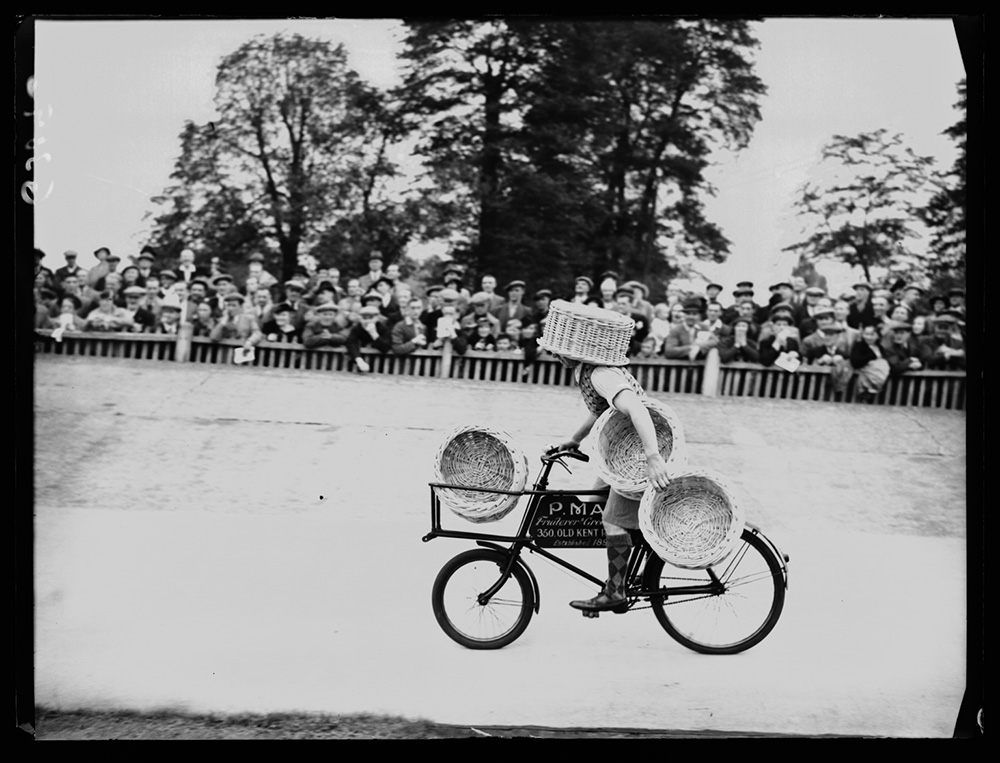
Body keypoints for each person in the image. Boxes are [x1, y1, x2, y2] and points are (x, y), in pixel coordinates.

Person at [539, 300, 671, 613]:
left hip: (637, 455)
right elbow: (598, 412)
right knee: (594, 500)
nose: (554, 355)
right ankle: (628, 567)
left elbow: (637, 408)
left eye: (556, 350)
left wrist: (652, 457)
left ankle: (616, 589)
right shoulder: (589, 371)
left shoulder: (602, 375)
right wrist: (573, 441)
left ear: (574, 350)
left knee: (612, 520)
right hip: (624, 453)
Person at [849, 324, 891, 403]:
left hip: (880, 375)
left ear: (877, 336)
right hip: (864, 375)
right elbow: (855, 361)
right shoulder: (859, 346)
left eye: (872, 334)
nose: (868, 337)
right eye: (866, 334)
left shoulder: (879, 347)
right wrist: (871, 357)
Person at [346, 305, 392, 372]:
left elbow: (386, 347)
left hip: (380, 365)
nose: (367, 321)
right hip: (359, 364)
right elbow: (351, 343)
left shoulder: (383, 329)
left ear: (376, 318)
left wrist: (374, 334)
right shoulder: (357, 329)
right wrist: (359, 360)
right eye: (364, 318)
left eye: (370, 318)